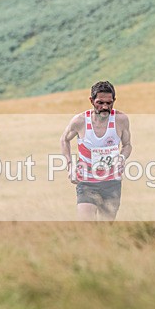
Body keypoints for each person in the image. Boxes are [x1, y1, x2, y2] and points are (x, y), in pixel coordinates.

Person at [59, 80, 132, 220]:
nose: (105, 107)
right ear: (91, 101)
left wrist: (122, 158)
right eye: (100, 102)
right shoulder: (79, 121)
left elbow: (127, 145)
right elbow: (64, 140)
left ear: (114, 100)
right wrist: (70, 165)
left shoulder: (121, 120)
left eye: (109, 103)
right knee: (86, 224)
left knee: (106, 227)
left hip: (112, 182)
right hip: (87, 181)